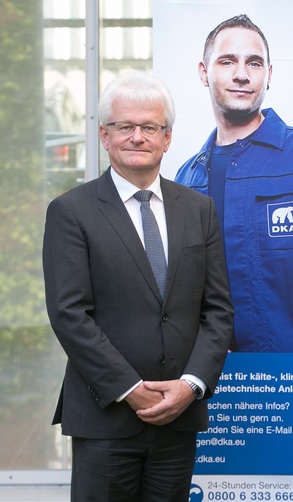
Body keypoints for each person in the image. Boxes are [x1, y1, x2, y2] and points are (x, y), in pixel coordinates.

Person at [43, 71, 234, 500]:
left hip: (178, 417)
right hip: (105, 418)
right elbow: (69, 315)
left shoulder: (199, 210)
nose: (137, 137)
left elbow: (218, 310)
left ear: (167, 138)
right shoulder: (71, 211)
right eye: (124, 126)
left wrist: (191, 385)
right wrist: (131, 390)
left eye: (149, 127)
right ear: (104, 136)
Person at [175, 14, 293, 353]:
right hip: (214, 378)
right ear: (203, 72)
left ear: (268, 74)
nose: (241, 74)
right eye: (227, 61)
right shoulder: (188, 179)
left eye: (254, 63)